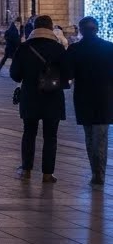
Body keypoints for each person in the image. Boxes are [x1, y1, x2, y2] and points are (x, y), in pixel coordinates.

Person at [9, 15, 72, 182]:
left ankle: (26, 170)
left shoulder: (24, 48)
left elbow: (15, 75)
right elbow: (68, 73)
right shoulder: (58, 49)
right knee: (51, 136)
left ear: (34, 28)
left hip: (30, 97)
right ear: (51, 28)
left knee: (29, 133)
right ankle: (47, 174)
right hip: (53, 97)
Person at [67, 16, 113, 185]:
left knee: (89, 136)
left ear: (81, 30)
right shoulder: (109, 47)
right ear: (97, 29)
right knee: (101, 137)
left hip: (83, 98)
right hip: (105, 98)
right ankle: (99, 173)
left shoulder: (74, 49)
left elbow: (68, 75)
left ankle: (95, 172)